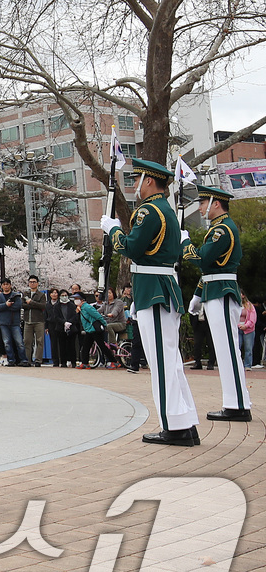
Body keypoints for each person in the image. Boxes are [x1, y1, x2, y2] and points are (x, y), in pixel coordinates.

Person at [102, 158, 199, 445]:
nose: (134, 185)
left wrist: (113, 229)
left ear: (149, 181)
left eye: (137, 179)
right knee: (171, 360)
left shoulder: (149, 210)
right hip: (160, 287)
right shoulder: (166, 209)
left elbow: (131, 247)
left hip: (154, 291)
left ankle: (175, 426)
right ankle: (184, 421)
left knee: (162, 361)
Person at [183, 183, 252, 421]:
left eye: (203, 203)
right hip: (216, 290)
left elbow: (202, 259)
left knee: (227, 350)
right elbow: (210, 270)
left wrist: (185, 244)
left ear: (216, 203)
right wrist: (198, 294)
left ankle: (237, 405)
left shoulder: (221, 229)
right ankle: (236, 402)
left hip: (221, 293)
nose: (201, 208)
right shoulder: (219, 227)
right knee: (225, 349)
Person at [0, 280, 25, 365]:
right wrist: (6, 305)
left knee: (19, 342)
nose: (6, 286)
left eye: (7, 284)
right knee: (7, 342)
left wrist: (6, 307)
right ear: (1, 286)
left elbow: (18, 306)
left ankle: (23, 360)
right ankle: (11, 360)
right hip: (3, 323)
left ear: (10, 285)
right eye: (4, 284)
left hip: (15, 322)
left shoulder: (16, 295)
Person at [22, 275, 46, 366]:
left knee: (39, 341)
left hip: (39, 320)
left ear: (37, 283)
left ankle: (38, 360)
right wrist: (34, 305)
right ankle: (28, 360)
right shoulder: (25, 294)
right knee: (27, 341)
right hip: (27, 320)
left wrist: (31, 302)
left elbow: (43, 306)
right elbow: (23, 305)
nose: (32, 283)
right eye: (30, 282)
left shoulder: (41, 295)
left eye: (34, 282)